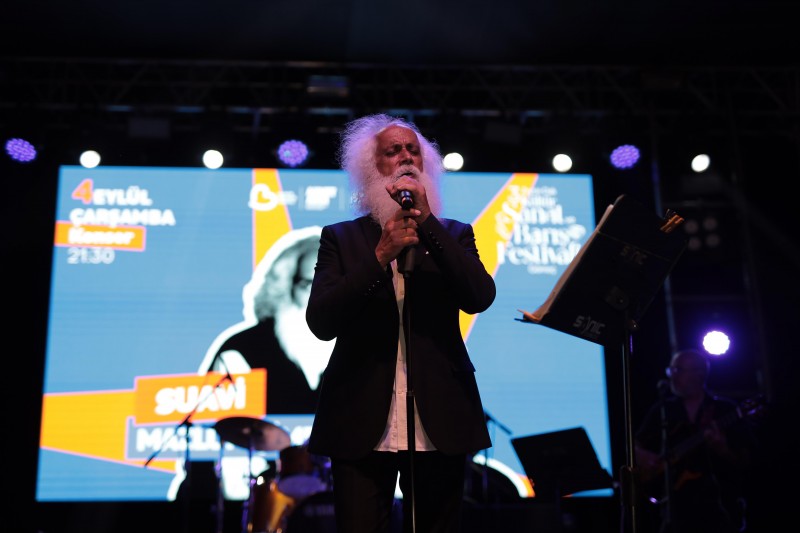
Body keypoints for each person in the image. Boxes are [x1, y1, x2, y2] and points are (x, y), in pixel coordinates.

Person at [304, 113, 497, 533]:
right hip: (359, 417)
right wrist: (380, 255)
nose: (406, 157)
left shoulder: (454, 234)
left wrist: (427, 223)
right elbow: (321, 320)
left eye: (413, 150)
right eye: (393, 151)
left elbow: (479, 297)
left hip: (440, 416)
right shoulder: (341, 238)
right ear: (372, 168)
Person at [198, 225, 335, 415]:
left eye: (331, 284)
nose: (319, 293)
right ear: (287, 285)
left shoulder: (359, 346)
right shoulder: (239, 350)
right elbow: (222, 421)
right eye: (307, 284)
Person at [634, 349, 759, 533]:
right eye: (671, 370)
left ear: (699, 374)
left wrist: (722, 448)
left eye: (678, 370)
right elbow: (635, 444)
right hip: (675, 507)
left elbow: (747, 461)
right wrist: (645, 457)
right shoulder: (663, 409)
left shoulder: (724, 410)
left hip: (720, 506)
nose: (672, 376)